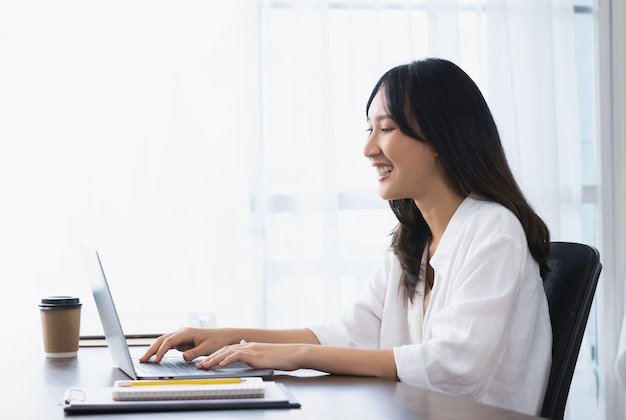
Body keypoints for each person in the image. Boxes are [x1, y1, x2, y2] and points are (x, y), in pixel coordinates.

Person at [141, 58, 552, 416]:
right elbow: (344, 333)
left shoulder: (494, 231)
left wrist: (298, 357)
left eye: (386, 128)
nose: (369, 148)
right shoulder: (414, 242)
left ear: (441, 139)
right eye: (369, 129)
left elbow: (453, 365)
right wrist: (236, 338)